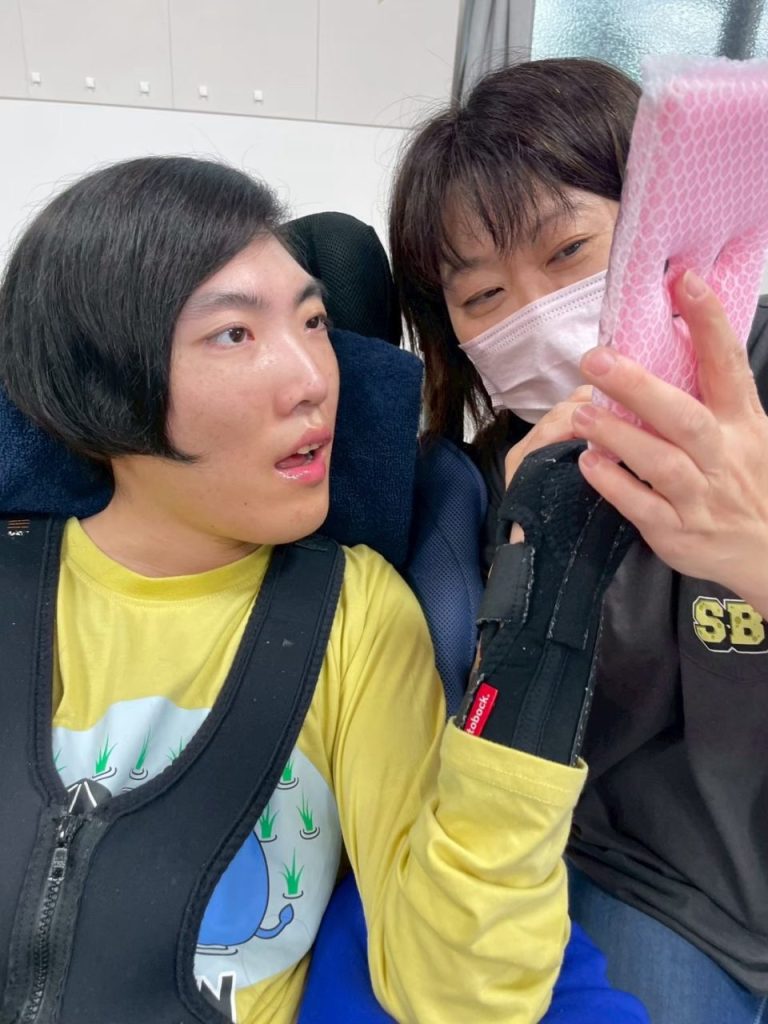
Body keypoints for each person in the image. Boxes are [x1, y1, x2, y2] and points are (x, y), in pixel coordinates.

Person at [0, 155, 601, 1024]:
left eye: (314, 321)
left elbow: (459, 992)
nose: (316, 379)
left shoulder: (355, 613)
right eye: (234, 334)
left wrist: (541, 627)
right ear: (100, 384)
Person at [389, 56, 768, 1024]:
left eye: (567, 252)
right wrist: (534, 557)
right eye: (483, 298)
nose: (538, 318)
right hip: (649, 879)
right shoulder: (482, 487)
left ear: (660, 226)